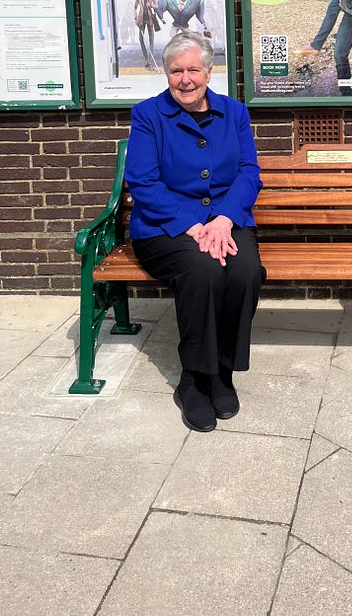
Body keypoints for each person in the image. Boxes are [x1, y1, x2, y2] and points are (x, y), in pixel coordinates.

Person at [124, 31, 265, 433]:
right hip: (165, 228)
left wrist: (222, 220)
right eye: (175, 71)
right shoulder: (148, 115)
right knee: (202, 271)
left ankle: (221, 372)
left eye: (193, 70)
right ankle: (192, 378)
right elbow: (143, 181)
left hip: (227, 222)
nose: (185, 79)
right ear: (166, 74)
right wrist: (193, 226)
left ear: (209, 71)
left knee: (245, 273)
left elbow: (248, 172)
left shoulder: (234, 113)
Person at [133, 0, 161, 72]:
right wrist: (135, 18)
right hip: (141, 19)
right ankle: (146, 58)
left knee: (151, 39)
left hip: (150, 20)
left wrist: (151, 5)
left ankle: (150, 60)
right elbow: (135, 7)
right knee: (141, 39)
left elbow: (157, 5)